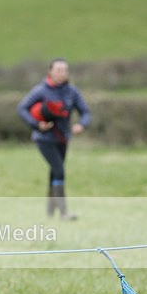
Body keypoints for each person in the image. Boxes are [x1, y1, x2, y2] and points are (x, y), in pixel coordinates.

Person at [16, 58, 91, 219]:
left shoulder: (72, 91)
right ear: (50, 71)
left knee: (54, 173)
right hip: (44, 139)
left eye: (64, 70)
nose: (61, 73)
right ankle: (64, 213)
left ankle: (50, 212)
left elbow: (86, 112)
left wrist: (81, 125)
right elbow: (22, 109)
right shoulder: (40, 90)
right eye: (58, 70)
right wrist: (37, 124)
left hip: (63, 139)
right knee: (59, 170)